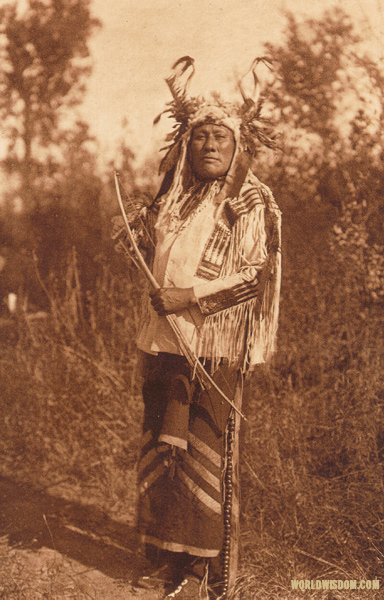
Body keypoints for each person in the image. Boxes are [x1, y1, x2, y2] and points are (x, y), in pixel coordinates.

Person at [113, 57, 281, 600]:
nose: (209, 145)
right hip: (164, 344)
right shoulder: (172, 199)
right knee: (163, 453)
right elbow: (155, 260)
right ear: (188, 143)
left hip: (214, 349)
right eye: (201, 136)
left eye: (221, 138)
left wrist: (190, 295)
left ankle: (205, 569)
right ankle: (166, 559)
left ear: (236, 148)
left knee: (203, 451)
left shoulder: (249, 200)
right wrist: (136, 240)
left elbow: (255, 279)